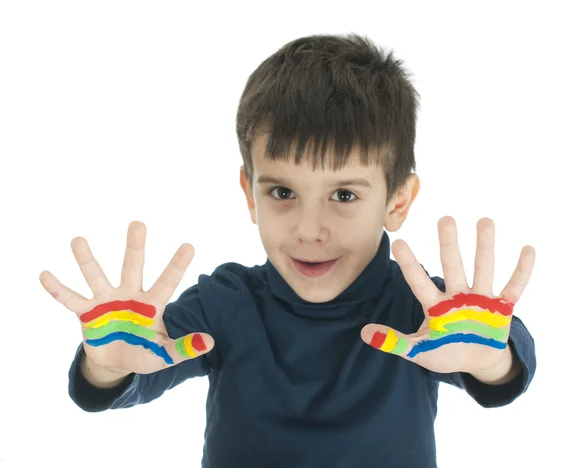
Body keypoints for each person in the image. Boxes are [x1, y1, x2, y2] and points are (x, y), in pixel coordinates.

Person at [39, 33, 536, 467]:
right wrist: (106, 368)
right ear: (248, 192)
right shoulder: (227, 301)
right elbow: (142, 362)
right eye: (282, 193)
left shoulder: (421, 308)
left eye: (343, 196)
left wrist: (493, 363)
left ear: (398, 200)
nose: (309, 229)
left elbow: (497, 354)